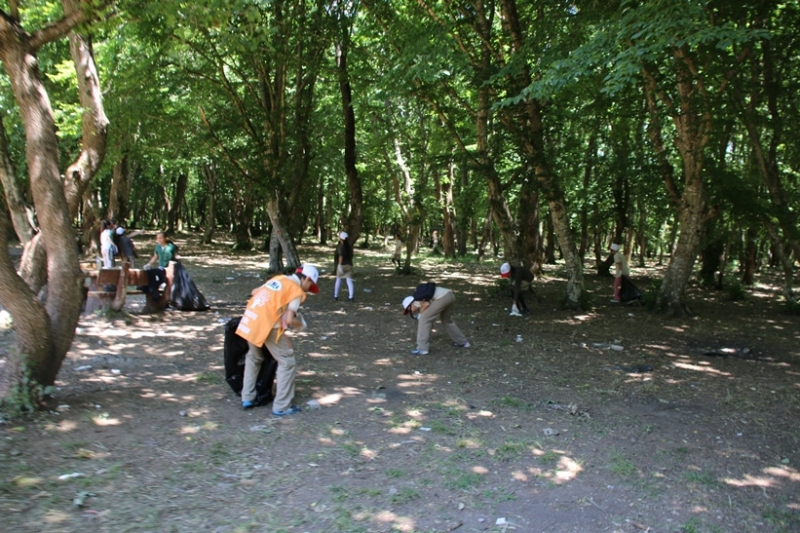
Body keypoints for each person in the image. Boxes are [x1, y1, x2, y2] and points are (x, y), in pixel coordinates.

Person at [235, 264, 320, 416]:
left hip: (251, 320)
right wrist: (301, 324)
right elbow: (289, 319)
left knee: (254, 357)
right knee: (287, 362)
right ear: (306, 278)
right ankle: (281, 406)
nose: (308, 290)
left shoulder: (278, 279)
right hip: (268, 325)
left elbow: (255, 292)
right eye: (310, 285)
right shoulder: (295, 290)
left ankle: (247, 397)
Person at [402, 283, 470, 355]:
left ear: (410, 304)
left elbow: (426, 305)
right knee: (446, 320)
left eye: (409, 310)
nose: (411, 312)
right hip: (449, 295)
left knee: (423, 319)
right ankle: (463, 342)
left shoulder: (416, 301)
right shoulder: (419, 298)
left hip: (442, 298)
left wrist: (421, 316)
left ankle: (422, 348)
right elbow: (430, 320)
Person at [333, 231, 354, 302]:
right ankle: (351, 297)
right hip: (349, 265)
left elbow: (341, 257)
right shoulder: (350, 247)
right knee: (349, 281)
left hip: (342, 265)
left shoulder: (340, 247)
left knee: (338, 280)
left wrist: (339, 265)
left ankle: (336, 296)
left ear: (340, 239)